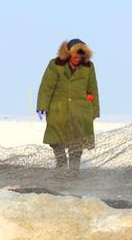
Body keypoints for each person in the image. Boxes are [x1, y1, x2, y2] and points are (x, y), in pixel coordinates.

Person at [35, 39, 99, 170]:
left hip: (80, 112)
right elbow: (46, 88)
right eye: (75, 56)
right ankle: (61, 163)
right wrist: (42, 106)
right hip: (58, 110)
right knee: (55, 138)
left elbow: (93, 89)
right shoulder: (55, 65)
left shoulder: (89, 67)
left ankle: (74, 170)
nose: (77, 59)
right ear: (68, 54)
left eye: (80, 57)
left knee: (77, 141)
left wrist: (94, 111)